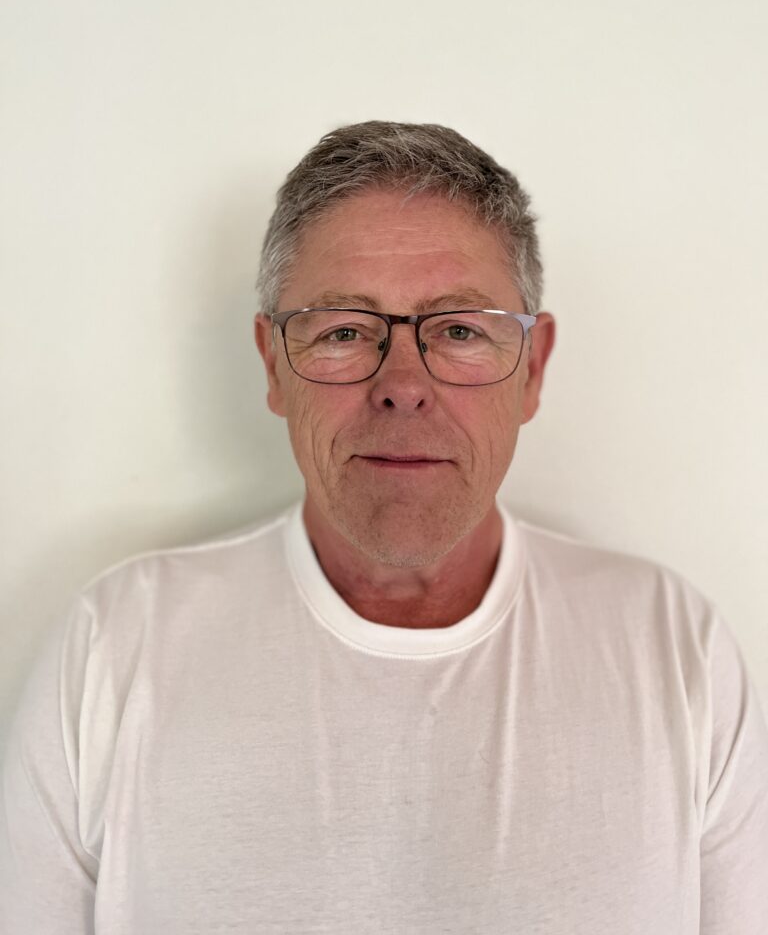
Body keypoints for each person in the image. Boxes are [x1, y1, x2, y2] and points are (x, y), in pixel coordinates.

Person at [1, 121, 766, 934]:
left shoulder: (674, 650)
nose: (403, 385)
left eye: (460, 329)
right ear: (273, 364)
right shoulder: (113, 651)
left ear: (533, 368)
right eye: (343, 330)